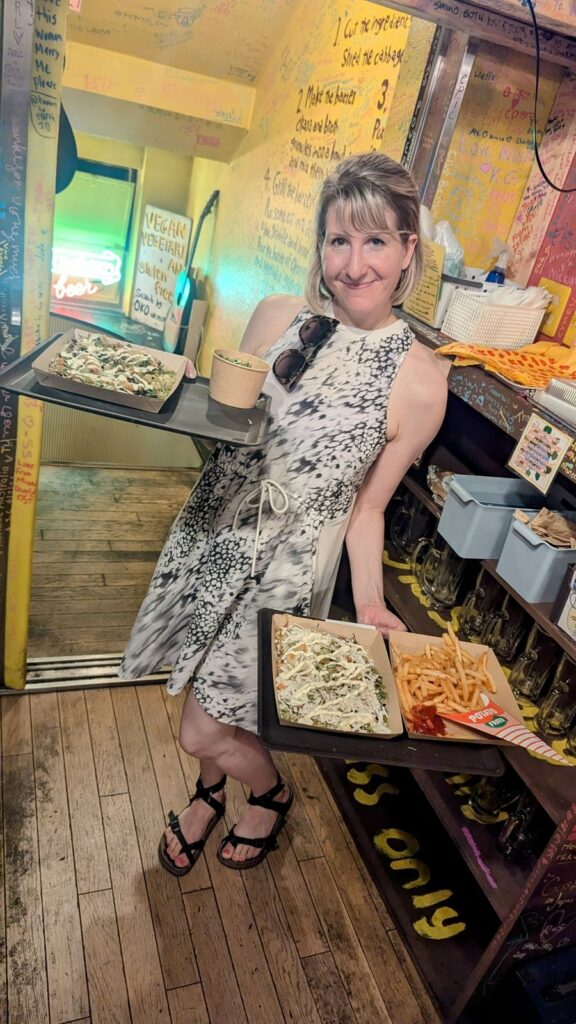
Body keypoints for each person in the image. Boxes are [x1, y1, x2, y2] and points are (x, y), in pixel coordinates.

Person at [119, 152, 448, 874]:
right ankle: (212, 793)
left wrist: (368, 602)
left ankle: (267, 794)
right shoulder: (281, 315)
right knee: (198, 683)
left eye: (375, 241)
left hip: (280, 573)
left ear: (406, 251)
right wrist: (179, 379)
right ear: (321, 245)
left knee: (201, 729)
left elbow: (368, 510)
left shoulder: (418, 381)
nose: (354, 264)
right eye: (339, 240)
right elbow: (229, 413)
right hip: (214, 533)